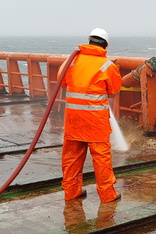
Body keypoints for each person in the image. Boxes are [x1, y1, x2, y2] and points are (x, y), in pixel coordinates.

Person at [60, 28, 122, 203]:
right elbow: (114, 90)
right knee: (101, 159)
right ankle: (108, 195)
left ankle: (71, 193)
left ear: (89, 41)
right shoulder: (107, 66)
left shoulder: (72, 61)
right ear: (106, 45)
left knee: (71, 157)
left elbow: (61, 80)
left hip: (74, 121)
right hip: (96, 122)